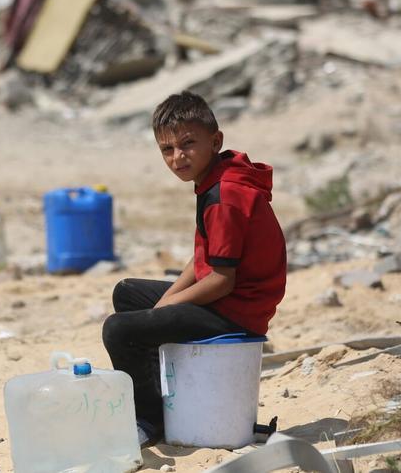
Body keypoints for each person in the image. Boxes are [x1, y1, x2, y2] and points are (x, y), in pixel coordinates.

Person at [101, 91, 286, 447]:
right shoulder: (215, 178)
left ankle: (150, 420)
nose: (177, 157)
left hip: (237, 311)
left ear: (215, 141)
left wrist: (169, 307)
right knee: (127, 292)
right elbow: (202, 258)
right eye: (167, 150)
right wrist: (166, 301)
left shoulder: (225, 194)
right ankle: (163, 399)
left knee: (118, 330)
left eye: (188, 144)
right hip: (227, 298)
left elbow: (220, 281)